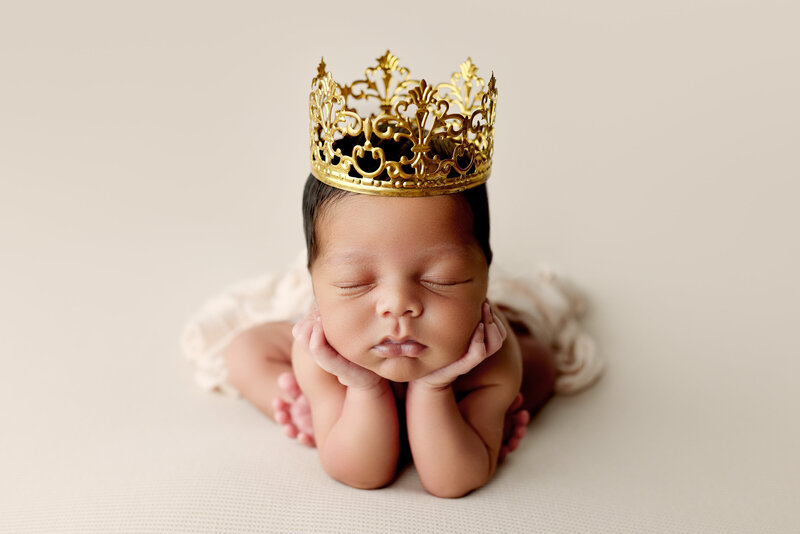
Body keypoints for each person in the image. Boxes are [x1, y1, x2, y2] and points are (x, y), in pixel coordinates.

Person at [182, 52, 602, 498]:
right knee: (245, 350)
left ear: (485, 270)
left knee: (540, 367)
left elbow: (454, 480)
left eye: (442, 278)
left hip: (464, 374)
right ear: (313, 280)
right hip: (346, 359)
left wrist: (436, 387)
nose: (397, 305)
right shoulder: (323, 350)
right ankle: (309, 409)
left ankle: (478, 413)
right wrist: (360, 387)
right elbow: (365, 472)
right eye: (354, 283)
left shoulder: (490, 357)